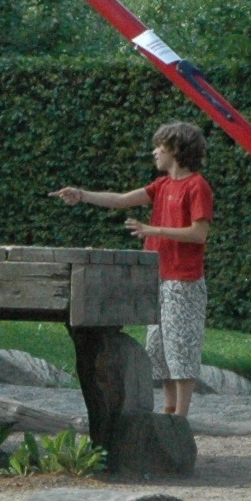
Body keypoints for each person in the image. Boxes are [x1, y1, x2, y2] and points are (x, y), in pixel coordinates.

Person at [54, 121, 215, 417]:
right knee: (160, 347)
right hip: (158, 278)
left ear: (176, 150)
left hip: (183, 281)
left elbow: (198, 233)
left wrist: (153, 229)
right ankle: (168, 410)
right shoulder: (162, 185)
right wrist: (82, 194)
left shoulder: (197, 186)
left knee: (181, 347)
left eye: (160, 147)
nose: (155, 152)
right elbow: (121, 200)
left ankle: (180, 417)